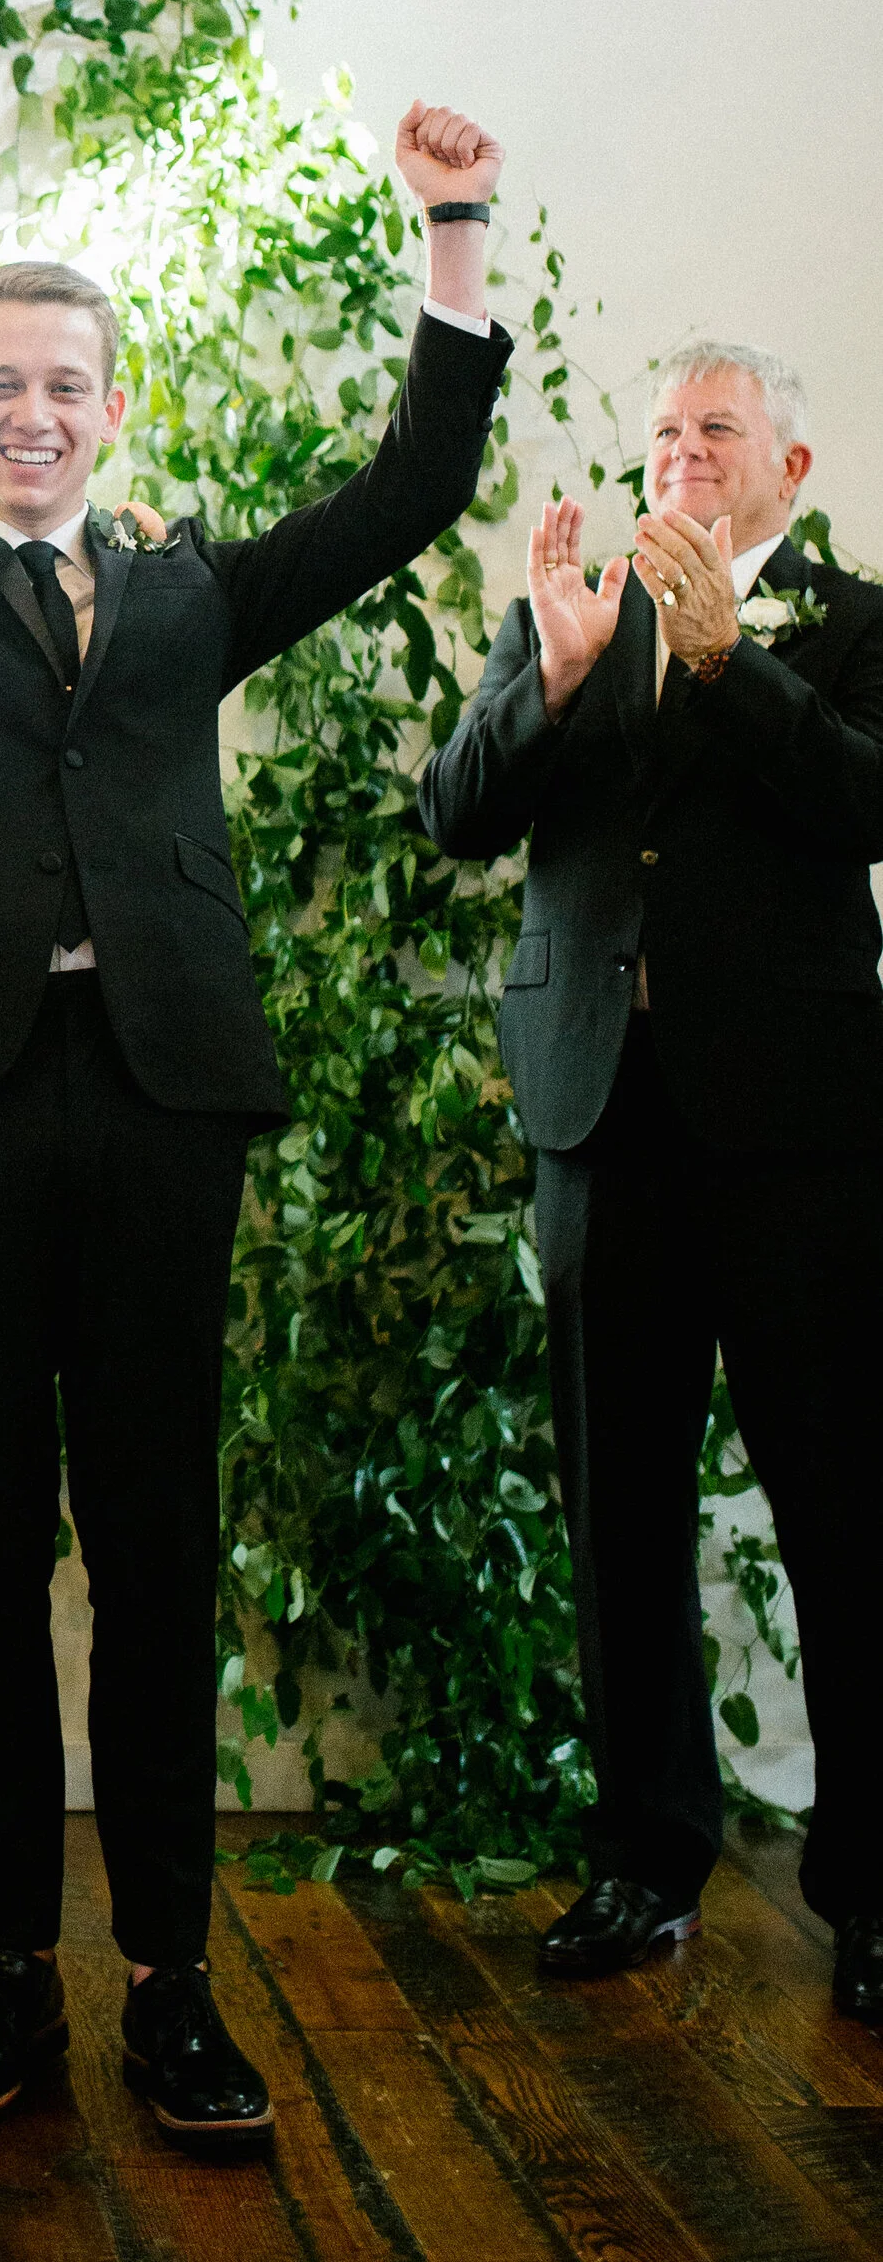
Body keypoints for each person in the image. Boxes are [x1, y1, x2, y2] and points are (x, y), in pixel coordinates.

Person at [0, 31, 509, 2146]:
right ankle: (2, 1982)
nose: (31, 414)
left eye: (63, 385)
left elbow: (409, 493)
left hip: (154, 1108)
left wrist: (449, 235)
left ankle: (163, 1983)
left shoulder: (187, 598)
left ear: (109, 410)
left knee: (149, 1541)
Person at [418, 346, 883, 2029]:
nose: (685, 453)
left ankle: (872, 1887)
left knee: (841, 1506)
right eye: (665, 429)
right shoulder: (576, 609)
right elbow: (454, 813)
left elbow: (867, 798)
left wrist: (729, 666)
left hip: (802, 1134)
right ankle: (646, 1852)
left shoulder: (852, 619)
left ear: (793, 462)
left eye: (720, 429)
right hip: (599, 1124)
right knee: (622, 1501)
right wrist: (544, 679)